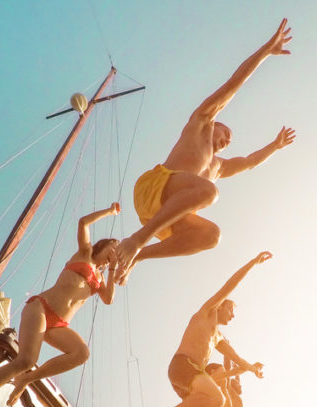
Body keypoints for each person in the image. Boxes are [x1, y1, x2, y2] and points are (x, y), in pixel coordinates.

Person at [112, 19, 295, 282]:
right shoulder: (202, 122)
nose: (226, 142)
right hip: (154, 187)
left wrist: (275, 147)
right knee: (209, 193)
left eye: (229, 143)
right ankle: (137, 241)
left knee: (212, 236)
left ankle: (137, 256)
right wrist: (266, 51)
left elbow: (250, 162)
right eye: (226, 135)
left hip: (164, 214)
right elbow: (234, 84)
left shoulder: (218, 167)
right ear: (217, 124)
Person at [0, 203, 121, 407]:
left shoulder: (100, 279)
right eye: (114, 245)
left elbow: (109, 298)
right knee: (26, 360)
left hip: (59, 324)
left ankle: (27, 379)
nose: (115, 251)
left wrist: (112, 269)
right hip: (41, 307)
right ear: (106, 244)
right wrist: (109, 212)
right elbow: (83, 222)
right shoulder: (85, 253)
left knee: (81, 354)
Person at [129, 251, 271, 407]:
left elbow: (236, 358)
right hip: (183, 365)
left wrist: (253, 369)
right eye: (231, 310)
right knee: (218, 400)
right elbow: (231, 284)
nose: (233, 316)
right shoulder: (207, 313)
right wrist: (253, 262)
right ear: (221, 307)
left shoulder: (218, 337)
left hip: (187, 378)